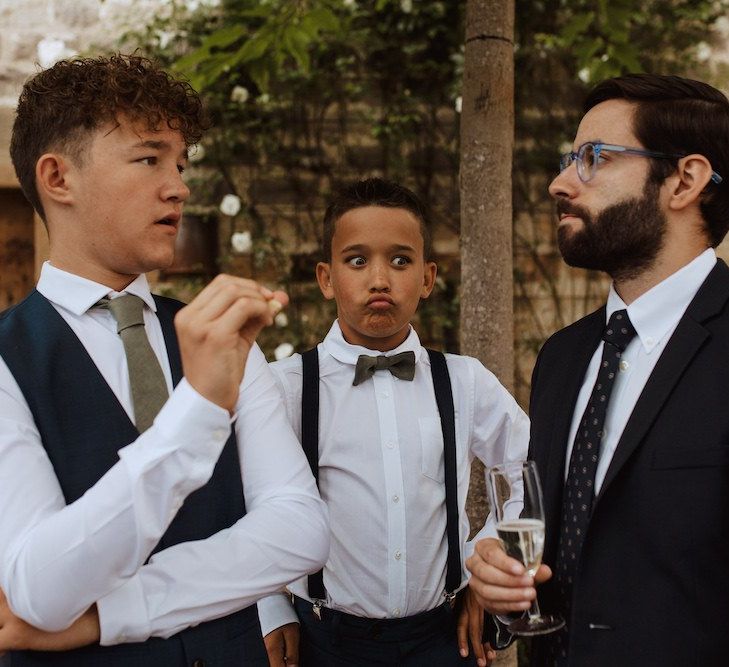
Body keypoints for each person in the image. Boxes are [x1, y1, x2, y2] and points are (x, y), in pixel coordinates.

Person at [0, 53, 329, 665]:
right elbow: (38, 590)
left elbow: (299, 531)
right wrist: (200, 409)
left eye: (180, 163)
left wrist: (111, 614)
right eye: (149, 158)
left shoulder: (220, 333)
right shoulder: (5, 360)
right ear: (58, 178)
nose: (178, 184)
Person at [466, 73, 729, 666]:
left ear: (684, 180)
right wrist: (506, 589)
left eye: (594, 158)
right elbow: (551, 541)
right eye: (570, 159)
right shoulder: (561, 357)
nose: (561, 183)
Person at [256, 178, 529, 666]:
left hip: (443, 640)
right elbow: (245, 505)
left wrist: (488, 559)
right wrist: (270, 604)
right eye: (357, 260)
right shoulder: (284, 387)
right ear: (326, 278)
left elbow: (533, 470)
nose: (379, 279)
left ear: (427, 278)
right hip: (325, 640)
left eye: (400, 261)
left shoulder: (464, 381)